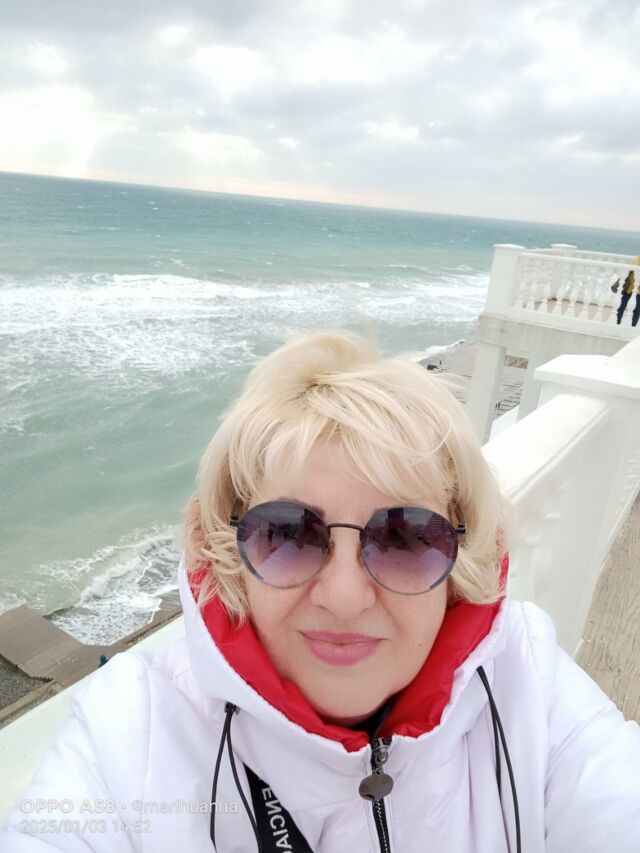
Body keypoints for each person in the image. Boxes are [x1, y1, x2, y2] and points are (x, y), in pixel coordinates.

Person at [2, 329, 640, 852]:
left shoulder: (527, 680)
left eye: (405, 537)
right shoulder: (132, 731)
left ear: (464, 551)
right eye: (287, 532)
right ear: (222, 546)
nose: (344, 596)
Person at [612, 255, 640, 326]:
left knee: (636, 310)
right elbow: (634, 266)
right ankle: (617, 323)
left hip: (637, 292)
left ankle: (632, 326)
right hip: (629, 288)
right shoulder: (638, 259)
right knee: (621, 307)